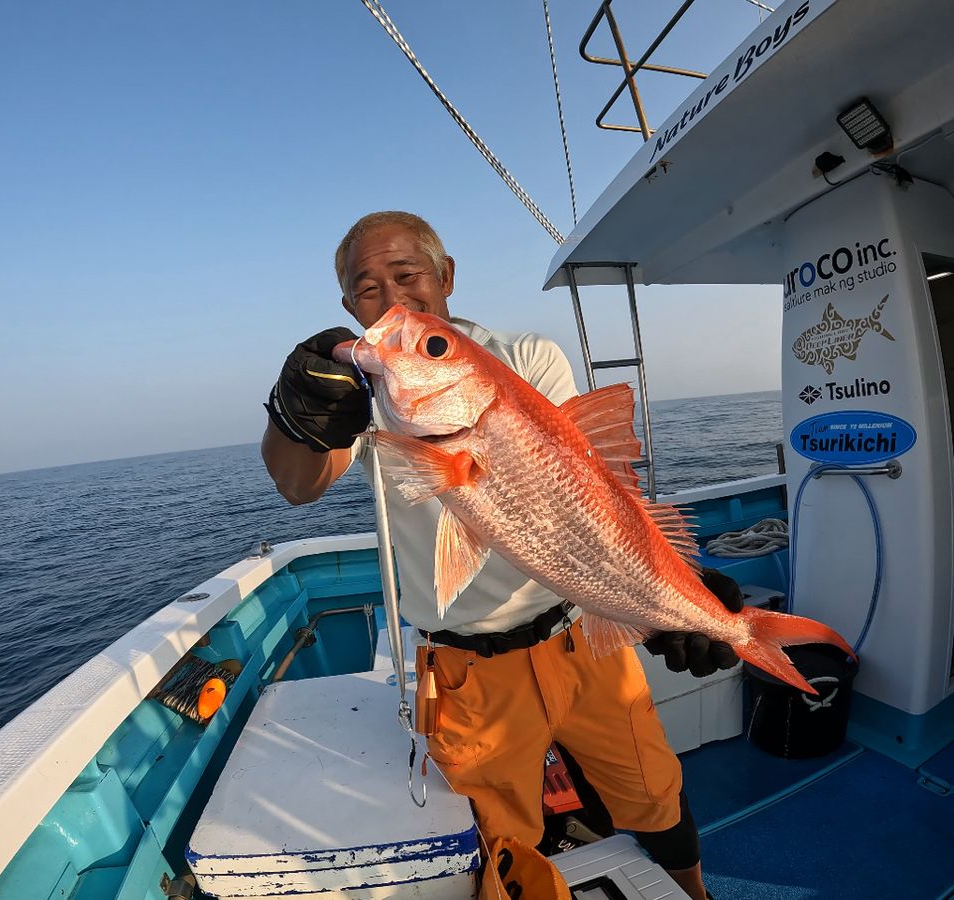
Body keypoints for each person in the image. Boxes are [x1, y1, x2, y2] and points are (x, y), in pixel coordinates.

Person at [262, 211, 742, 900]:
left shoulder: (525, 359)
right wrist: (295, 416)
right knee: (504, 840)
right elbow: (296, 486)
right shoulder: (367, 392)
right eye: (368, 289)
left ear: (445, 277)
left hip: (580, 637)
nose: (391, 298)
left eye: (407, 275)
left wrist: (669, 593)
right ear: (349, 309)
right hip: (468, 668)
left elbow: (583, 492)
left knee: (654, 791)